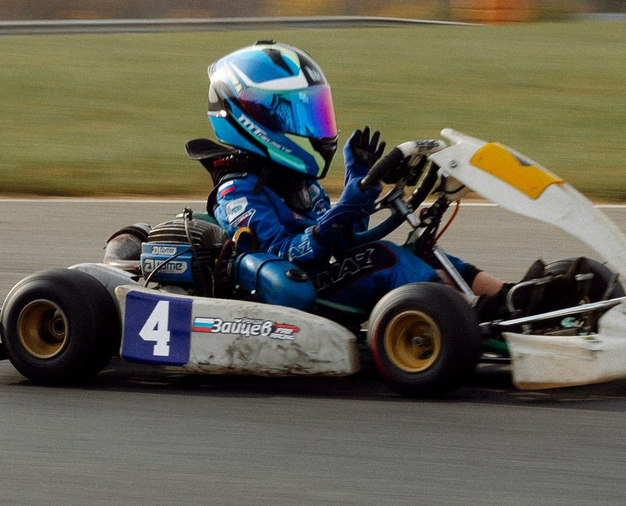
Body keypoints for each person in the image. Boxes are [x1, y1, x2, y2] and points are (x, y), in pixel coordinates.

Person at [191, 41, 506, 316]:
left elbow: (344, 245)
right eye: (296, 114)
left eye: (313, 110)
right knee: (383, 258)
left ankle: (507, 297)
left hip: (318, 280)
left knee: (417, 249)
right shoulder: (237, 191)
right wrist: (340, 214)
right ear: (252, 118)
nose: (310, 124)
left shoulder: (299, 180)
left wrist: (360, 190)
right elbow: (283, 256)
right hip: (293, 293)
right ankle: (466, 315)